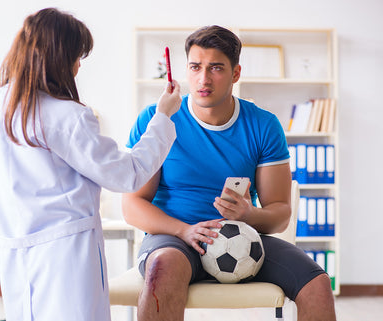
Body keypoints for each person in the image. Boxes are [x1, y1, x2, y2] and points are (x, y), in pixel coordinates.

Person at [0, 8, 181, 321]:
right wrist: (163, 117)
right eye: (77, 57)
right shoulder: (67, 116)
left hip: (13, 252)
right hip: (67, 256)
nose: (77, 67)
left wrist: (18, 205)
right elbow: (127, 175)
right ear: (59, 57)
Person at [122, 25, 336, 321]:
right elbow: (132, 205)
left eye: (216, 68)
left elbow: (280, 212)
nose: (203, 78)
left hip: (243, 238)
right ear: (186, 69)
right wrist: (185, 230)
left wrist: (248, 214)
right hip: (173, 238)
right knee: (165, 268)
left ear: (236, 73)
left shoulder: (264, 125)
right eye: (195, 67)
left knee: (317, 283)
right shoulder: (156, 119)